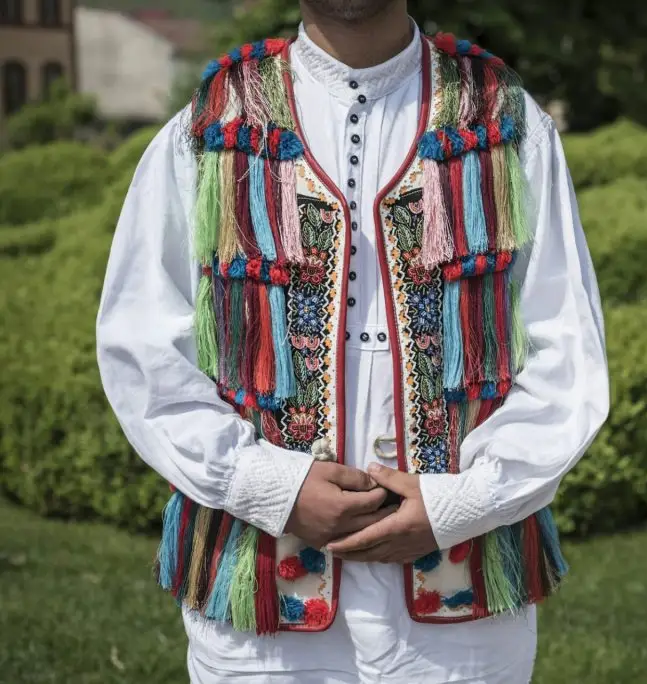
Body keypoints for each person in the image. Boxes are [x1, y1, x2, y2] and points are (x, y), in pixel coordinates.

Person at [95, 1, 609, 682]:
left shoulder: (504, 122)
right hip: (261, 590)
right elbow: (142, 350)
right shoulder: (210, 125)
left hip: (462, 595)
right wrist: (269, 487)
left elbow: (567, 349)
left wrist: (464, 501)